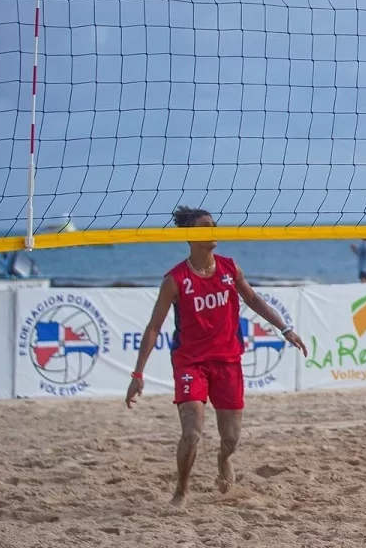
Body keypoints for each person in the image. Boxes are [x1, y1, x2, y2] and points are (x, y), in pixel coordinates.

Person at [125, 206, 308, 508]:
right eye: (204, 225)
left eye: (213, 224)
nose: (212, 229)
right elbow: (153, 328)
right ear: (189, 235)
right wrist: (137, 375)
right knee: (193, 431)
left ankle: (223, 460)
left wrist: (286, 329)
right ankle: (181, 491)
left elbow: (253, 299)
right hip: (191, 363)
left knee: (231, 438)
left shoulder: (229, 268)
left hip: (227, 362)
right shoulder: (175, 279)